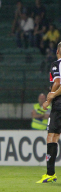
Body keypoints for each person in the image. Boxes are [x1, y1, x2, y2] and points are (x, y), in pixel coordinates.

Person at [37, 41, 61, 183]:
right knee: (55, 136)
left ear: (57, 51)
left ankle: (50, 173)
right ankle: (50, 173)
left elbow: (57, 82)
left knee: (51, 137)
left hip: (58, 106)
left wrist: (50, 97)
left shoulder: (56, 64)